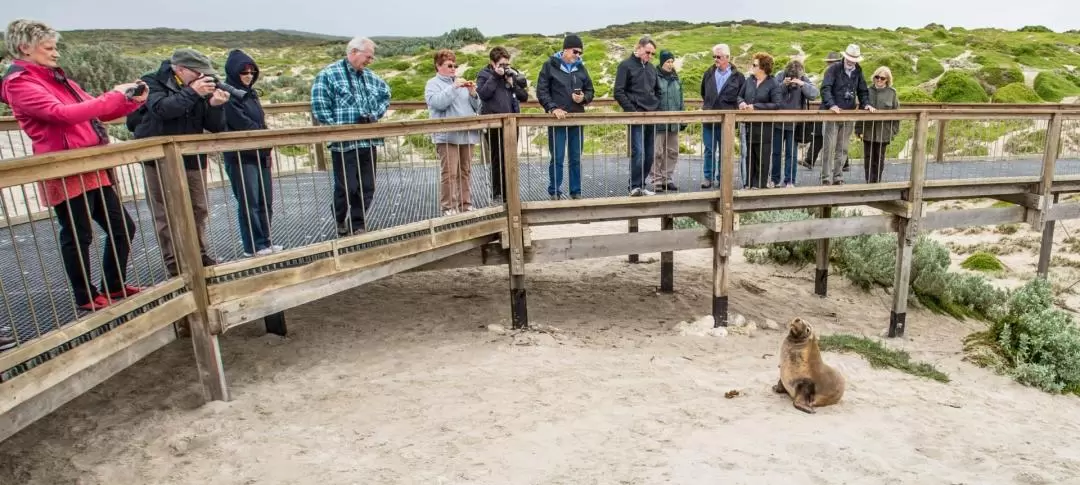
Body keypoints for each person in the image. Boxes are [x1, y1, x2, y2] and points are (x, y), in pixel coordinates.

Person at [1, 19, 146, 314]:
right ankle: (85, 295)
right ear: (24, 48)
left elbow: (95, 111)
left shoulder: (55, 78)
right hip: (63, 166)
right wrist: (115, 95)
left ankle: (114, 285)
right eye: (49, 48)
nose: (56, 54)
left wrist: (129, 102)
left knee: (122, 227)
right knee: (78, 234)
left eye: (55, 48)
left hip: (89, 163)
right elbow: (62, 115)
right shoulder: (20, 83)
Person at [133, 48, 228, 276]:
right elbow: (161, 110)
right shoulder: (152, 82)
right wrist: (193, 93)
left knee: (198, 208)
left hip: (192, 156)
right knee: (166, 212)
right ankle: (175, 265)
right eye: (197, 73)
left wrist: (215, 106)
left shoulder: (198, 86)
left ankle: (200, 256)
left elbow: (214, 126)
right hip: (160, 159)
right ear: (180, 69)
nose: (202, 77)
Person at [311, 36, 391, 236]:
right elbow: (320, 107)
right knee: (347, 186)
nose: (370, 61)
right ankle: (339, 217)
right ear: (354, 52)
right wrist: (337, 129)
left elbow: (386, 94)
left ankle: (358, 223)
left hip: (368, 140)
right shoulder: (329, 74)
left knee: (367, 186)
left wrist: (375, 114)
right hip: (344, 144)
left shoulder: (370, 77)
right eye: (368, 57)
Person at [222, 49, 281, 257]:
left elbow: (258, 121)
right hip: (241, 156)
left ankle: (265, 241)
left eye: (251, 72)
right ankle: (253, 246)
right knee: (250, 203)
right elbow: (241, 124)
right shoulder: (228, 94)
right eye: (243, 72)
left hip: (261, 153)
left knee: (265, 200)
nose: (248, 76)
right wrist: (263, 134)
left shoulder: (251, 94)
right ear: (233, 72)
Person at [536, 34, 594, 200]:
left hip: (577, 118)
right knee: (558, 157)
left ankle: (576, 191)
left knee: (576, 157)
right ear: (566, 49)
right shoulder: (549, 66)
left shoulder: (581, 68)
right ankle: (554, 191)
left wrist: (583, 98)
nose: (578, 55)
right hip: (557, 120)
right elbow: (542, 91)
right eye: (576, 51)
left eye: (580, 53)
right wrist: (552, 108)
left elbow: (590, 90)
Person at [425, 49, 482, 215]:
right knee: (449, 173)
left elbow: (477, 107)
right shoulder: (432, 84)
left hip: (467, 134)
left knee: (465, 171)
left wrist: (473, 93)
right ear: (438, 66)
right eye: (449, 65)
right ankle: (448, 207)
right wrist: (454, 87)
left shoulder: (460, 82)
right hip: (447, 136)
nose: (453, 68)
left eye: (455, 65)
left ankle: (466, 204)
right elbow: (438, 103)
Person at [476, 46, 528, 204]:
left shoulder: (510, 74)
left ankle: (510, 193)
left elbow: (524, 96)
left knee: (511, 159)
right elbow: (483, 94)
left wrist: (512, 83)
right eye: (502, 65)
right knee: (497, 159)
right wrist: (495, 76)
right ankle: (498, 194)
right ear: (492, 63)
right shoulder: (484, 75)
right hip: (494, 124)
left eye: (507, 64)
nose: (505, 68)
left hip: (512, 123)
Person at [820, 44, 874, 185]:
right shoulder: (833, 69)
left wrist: (866, 103)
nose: (851, 61)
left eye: (854, 59)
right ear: (845, 57)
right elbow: (825, 88)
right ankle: (825, 177)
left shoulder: (858, 71)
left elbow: (862, 90)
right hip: (832, 114)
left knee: (842, 147)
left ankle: (838, 176)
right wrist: (832, 105)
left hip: (848, 113)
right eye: (849, 58)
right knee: (829, 147)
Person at [614, 35, 661, 196]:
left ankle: (641, 185)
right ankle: (634, 186)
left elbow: (658, 91)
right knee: (639, 152)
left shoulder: (652, 68)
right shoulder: (625, 66)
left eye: (653, 54)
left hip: (651, 115)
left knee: (649, 154)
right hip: (635, 115)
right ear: (639, 48)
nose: (650, 56)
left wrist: (656, 107)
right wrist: (631, 110)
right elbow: (618, 91)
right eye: (648, 52)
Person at [699, 43, 744, 189]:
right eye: (714, 56)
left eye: (718, 56)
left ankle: (723, 178)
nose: (715, 59)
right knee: (709, 149)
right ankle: (708, 177)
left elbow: (741, 96)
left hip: (727, 121)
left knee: (726, 151)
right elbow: (703, 93)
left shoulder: (738, 77)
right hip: (709, 118)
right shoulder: (708, 73)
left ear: (727, 57)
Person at [737, 52, 783, 189]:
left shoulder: (773, 83)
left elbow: (777, 104)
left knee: (762, 157)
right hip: (748, 126)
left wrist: (756, 107)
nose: (752, 67)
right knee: (748, 156)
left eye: (755, 65)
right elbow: (739, 96)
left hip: (764, 128)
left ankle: (759, 185)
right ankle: (748, 184)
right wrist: (741, 103)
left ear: (763, 67)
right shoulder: (749, 80)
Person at [772, 60, 818, 188]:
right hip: (778, 121)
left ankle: (790, 180)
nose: (793, 79)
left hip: (795, 124)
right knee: (775, 152)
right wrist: (783, 85)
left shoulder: (803, 78)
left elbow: (814, 94)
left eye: (795, 77)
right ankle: (775, 180)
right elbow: (772, 93)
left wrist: (802, 84)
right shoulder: (780, 75)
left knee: (791, 153)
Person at [855, 66, 900, 183]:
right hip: (868, 130)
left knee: (879, 158)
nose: (879, 80)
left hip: (884, 132)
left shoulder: (892, 93)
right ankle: (869, 182)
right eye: (877, 77)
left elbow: (897, 114)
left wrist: (893, 131)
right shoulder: (867, 91)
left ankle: (877, 182)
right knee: (868, 157)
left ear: (887, 80)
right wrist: (858, 129)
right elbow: (860, 111)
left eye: (882, 78)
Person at [801, 52, 842, 170]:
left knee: (838, 137)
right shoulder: (829, 73)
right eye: (829, 63)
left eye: (832, 63)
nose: (829, 65)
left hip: (834, 108)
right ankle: (809, 160)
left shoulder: (840, 76)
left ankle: (844, 164)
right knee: (818, 133)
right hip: (826, 106)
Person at [650, 50, 685, 192]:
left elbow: (681, 99)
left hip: (674, 121)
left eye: (671, 61)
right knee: (657, 152)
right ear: (661, 62)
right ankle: (657, 180)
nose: (670, 64)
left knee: (672, 151)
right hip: (658, 121)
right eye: (667, 62)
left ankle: (667, 178)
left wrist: (682, 118)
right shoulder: (655, 77)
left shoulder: (676, 78)